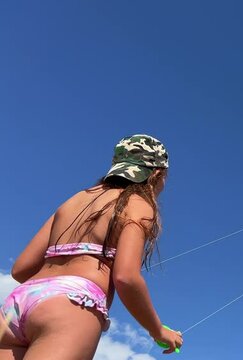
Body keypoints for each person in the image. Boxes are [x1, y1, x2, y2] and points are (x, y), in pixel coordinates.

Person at [0, 134, 183, 360]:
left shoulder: (75, 200)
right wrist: (158, 330)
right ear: (157, 174)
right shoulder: (137, 204)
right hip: (72, 305)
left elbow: (20, 269)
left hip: (17, 305)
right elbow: (126, 277)